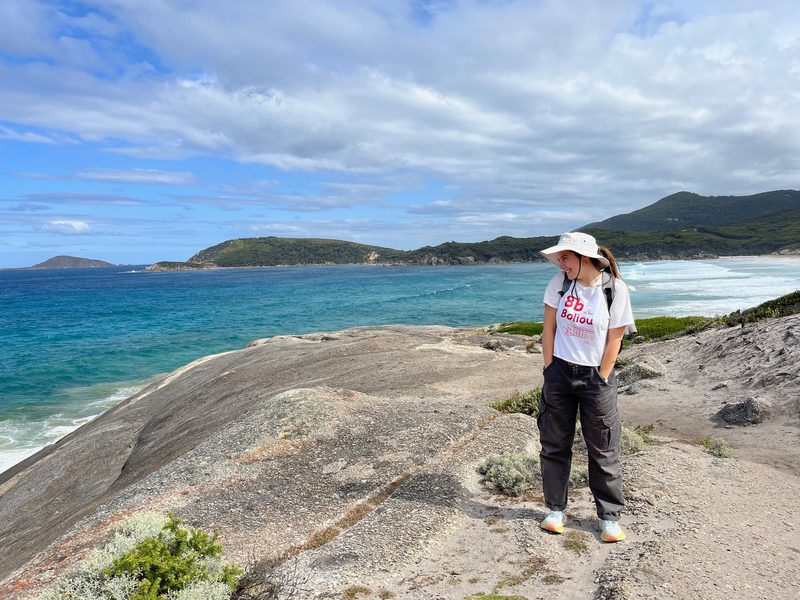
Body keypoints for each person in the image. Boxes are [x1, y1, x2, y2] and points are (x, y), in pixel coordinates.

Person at [537, 231, 636, 542]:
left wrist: (603, 375)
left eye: (565, 257)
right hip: (560, 373)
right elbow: (549, 327)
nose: (560, 264)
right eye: (559, 258)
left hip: (596, 378)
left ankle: (609, 517)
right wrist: (549, 368)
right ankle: (555, 511)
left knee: (603, 449)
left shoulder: (614, 289)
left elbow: (615, 338)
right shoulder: (560, 284)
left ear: (584, 258)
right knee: (554, 445)